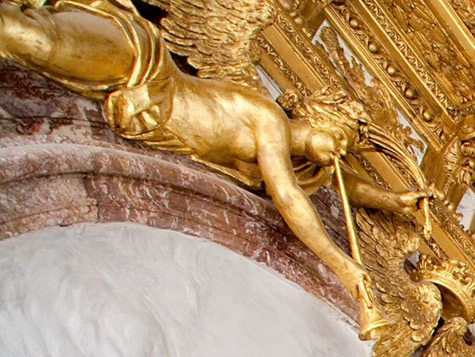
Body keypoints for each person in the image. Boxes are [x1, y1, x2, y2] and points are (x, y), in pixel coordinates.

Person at [0, 0, 424, 335]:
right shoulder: (266, 118)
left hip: (146, 106)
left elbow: (334, 181)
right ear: (311, 120)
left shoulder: (278, 156)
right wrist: (346, 269)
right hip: (141, 67)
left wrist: (395, 201)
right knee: (32, 37)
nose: (336, 150)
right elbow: (290, 197)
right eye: (338, 138)